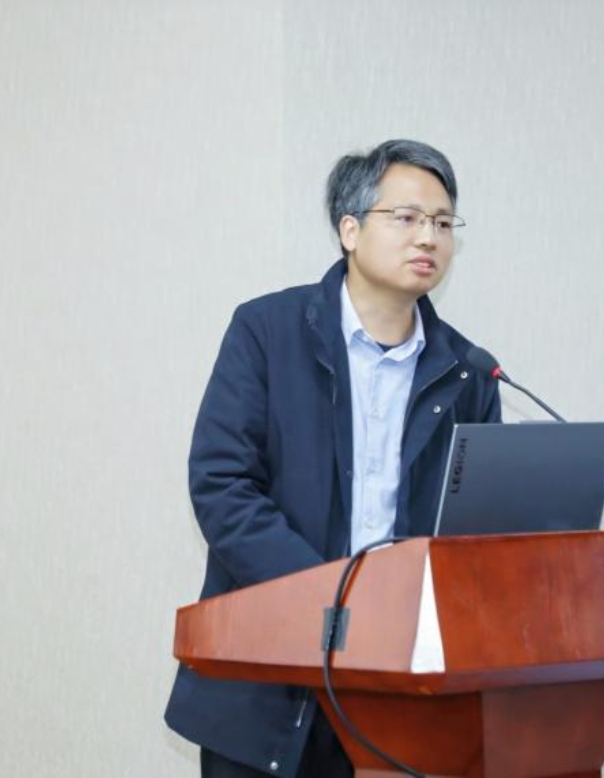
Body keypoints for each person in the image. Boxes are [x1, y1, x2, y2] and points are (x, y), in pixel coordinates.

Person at [165, 139, 501, 777]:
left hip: (399, 693)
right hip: (265, 683)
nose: (428, 237)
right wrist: (331, 603)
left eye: (442, 222)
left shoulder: (471, 373)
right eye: (407, 217)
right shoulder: (266, 332)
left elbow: (476, 532)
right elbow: (221, 484)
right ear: (350, 230)